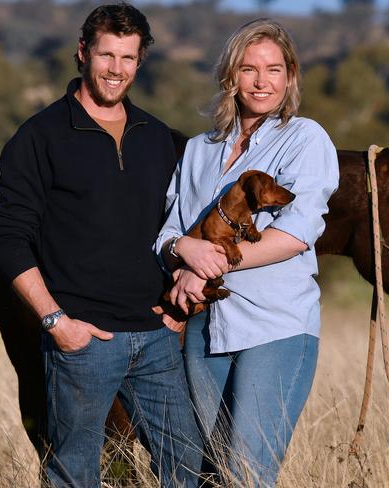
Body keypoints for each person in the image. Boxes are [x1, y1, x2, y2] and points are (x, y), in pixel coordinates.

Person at [0, 3, 201, 487]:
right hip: (82, 343)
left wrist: (178, 310)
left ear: (140, 61)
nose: (116, 69)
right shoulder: (39, 137)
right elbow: (8, 237)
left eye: (127, 58)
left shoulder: (156, 137)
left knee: (187, 466)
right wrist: (55, 322)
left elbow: (183, 228)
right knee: (74, 474)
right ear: (83, 53)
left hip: (156, 337)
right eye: (107, 55)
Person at [155, 19, 339, 487]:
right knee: (209, 470)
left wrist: (210, 262)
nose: (262, 81)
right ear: (230, 76)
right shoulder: (198, 150)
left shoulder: (305, 139)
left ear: (290, 76)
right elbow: (168, 233)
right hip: (204, 332)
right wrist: (184, 249)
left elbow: (296, 233)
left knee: (246, 472)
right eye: (249, 69)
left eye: (274, 69)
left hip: (274, 325)